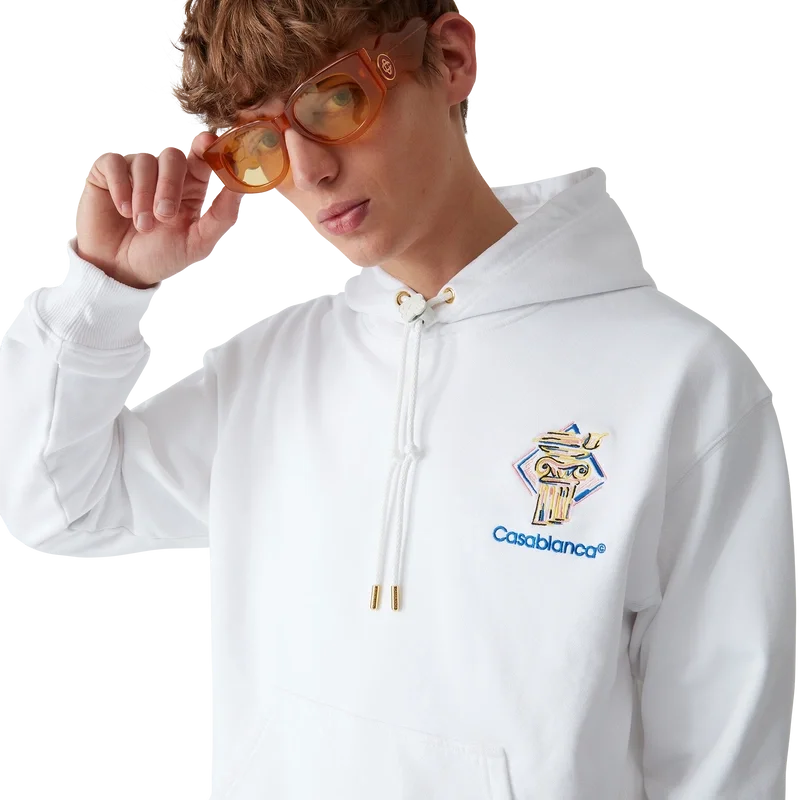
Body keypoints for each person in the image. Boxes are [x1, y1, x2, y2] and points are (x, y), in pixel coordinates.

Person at [0, 1, 794, 798]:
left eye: (335, 102)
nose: (310, 173)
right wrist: (106, 287)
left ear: (450, 58)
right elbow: (54, 507)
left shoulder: (680, 382)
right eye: (261, 145)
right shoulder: (275, 369)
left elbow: (723, 769)